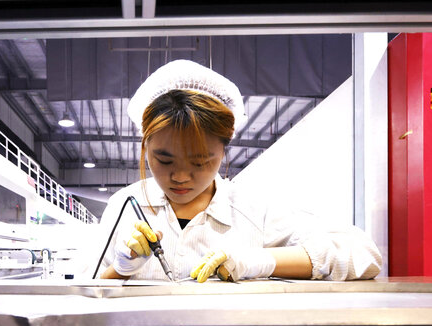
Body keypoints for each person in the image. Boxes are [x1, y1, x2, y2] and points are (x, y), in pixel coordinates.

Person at [99, 59, 381, 282]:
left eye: (200, 162)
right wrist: (122, 268)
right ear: (145, 145)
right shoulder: (123, 207)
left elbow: (363, 255)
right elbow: (81, 293)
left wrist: (260, 261)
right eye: (164, 160)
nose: (181, 177)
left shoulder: (252, 210)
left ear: (224, 150)